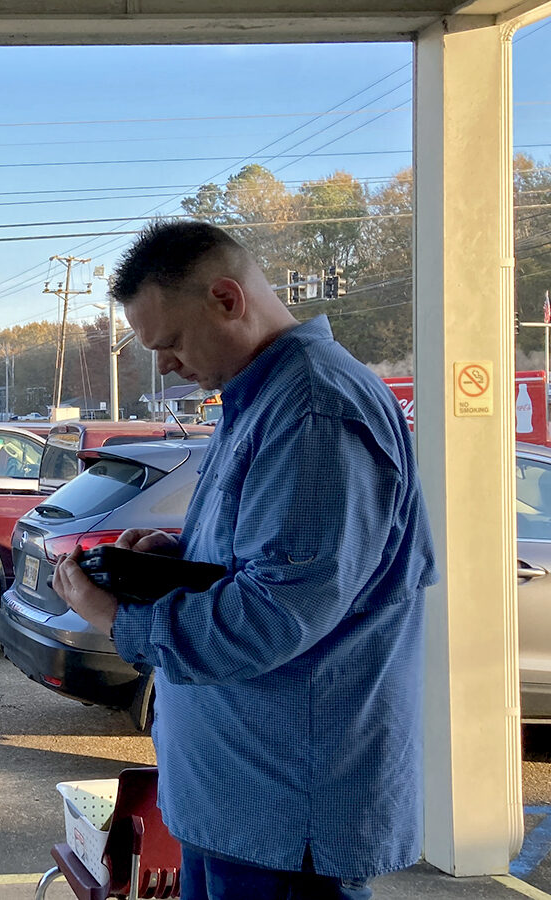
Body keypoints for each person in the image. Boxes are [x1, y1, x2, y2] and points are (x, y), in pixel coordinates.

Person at [52, 220, 435, 900]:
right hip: (240, 806)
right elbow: (277, 562)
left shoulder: (315, 411)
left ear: (228, 299)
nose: (163, 365)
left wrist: (112, 616)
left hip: (285, 822)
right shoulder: (262, 399)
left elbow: (275, 615)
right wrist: (179, 557)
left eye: (168, 343)